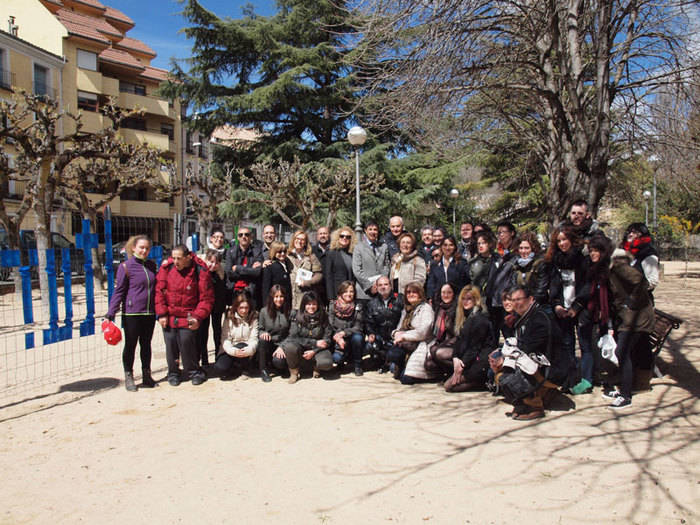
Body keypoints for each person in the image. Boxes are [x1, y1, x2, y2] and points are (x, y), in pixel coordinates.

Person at [505, 285, 568, 420]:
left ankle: (535, 405)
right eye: (513, 300)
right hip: (541, 364)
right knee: (502, 365)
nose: (516, 303)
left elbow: (526, 349)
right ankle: (534, 397)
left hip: (554, 370)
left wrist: (503, 357)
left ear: (531, 299)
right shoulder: (523, 318)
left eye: (519, 299)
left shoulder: (539, 319)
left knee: (506, 372)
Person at [604, 248, 655, 409]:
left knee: (622, 352)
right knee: (623, 353)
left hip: (637, 318)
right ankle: (625, 389)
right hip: (626, 318)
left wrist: (631, 303)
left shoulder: (619, 267)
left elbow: (642, 282)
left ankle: (625, 396)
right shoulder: (608, 271)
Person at [155, 244, 214, 386]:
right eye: (173, 258)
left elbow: (206, 298)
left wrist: (198, 316)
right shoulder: (167, 269)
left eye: (179, 258)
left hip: (189, 315)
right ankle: (173, 373)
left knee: (187, 344)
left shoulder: (199, 270)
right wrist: (161, 314)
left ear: (187, 257)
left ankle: (193, 371)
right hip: (170, 315)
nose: (176, 262)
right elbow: (159, 292)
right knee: (171, 345)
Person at [106, 235, 158, 391]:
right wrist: (111, 311)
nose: (144, 250)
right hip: (132, 313)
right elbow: (119, 291)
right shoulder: (126, 267)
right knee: (130, 345)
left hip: (149, 312)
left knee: (146, 345)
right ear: (133, 248)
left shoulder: (151, 265)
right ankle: (129, 376)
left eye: (147, 248)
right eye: (141, 247)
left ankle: (147, 375)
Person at [546, 225, 589, 390]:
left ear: (571, 239)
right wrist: (557, 305)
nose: (562, 243)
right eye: (559, 241)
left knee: (585, 345)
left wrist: (576, 307)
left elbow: (587, 286)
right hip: (563, 307)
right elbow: (554, 285)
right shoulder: (555, 260)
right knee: (566, 344)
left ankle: (586, 380)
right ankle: (569, 378)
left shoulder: (581, 258)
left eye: (564, 240)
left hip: (580, 307)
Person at [570, 234, 614, 395]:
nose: (593, 254)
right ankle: (587, 379)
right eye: (591, 250)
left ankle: (595, 377)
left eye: (597, 251)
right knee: (586, 346)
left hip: (604, 315)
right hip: (587, 313)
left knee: (596, 346)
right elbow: (584, 289)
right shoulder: (587, 265)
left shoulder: (610, 268)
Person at [403, 282, 458, 383]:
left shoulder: (457, 309)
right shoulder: (439, 308)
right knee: (429, 364)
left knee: (434, 353)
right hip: (438, 342)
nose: (445, 295)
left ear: (454, 294)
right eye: (443, 292)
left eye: (449, 292)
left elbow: (457, 334)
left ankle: (453, 372)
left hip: (453, 344)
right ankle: (442, 374)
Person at [443, 285, 495, 392]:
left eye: (469, 299)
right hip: (468, 356)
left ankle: (483, 383)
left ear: (476, 300)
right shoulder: (465, 316)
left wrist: (462, 365)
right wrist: (455, 357)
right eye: (463, 299)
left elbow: (475, 347)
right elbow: (459, 341)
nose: (465, 302)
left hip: (480, 359)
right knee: (448, 385)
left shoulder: (480, 318)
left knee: (449, 386)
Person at [279, 291, 333, 383]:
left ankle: (316, 366)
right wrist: (314, 342)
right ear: (304, 305)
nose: (311, 307)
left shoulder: (324, 316)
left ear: (318, 304)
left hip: (318, 349)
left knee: (326, 363)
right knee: (290, 347)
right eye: (308, 304)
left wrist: (314, 351)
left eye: (314, 304)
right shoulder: (297, 316)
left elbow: (327, 339)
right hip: (301, 347)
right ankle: (294, 372)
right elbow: (293, 337)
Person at [386, 281, 434, 379]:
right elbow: (398, 328)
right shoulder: (406, 310)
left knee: (406, 380)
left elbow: (423, 332)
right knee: (392, 354)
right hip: (406, 344)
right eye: (408, 292)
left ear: (420, 293)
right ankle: (402, 365)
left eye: (414, 292)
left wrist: (403, 336)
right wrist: (396, 333)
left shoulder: (426, 309)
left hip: (420, 345)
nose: (411, 294)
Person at [214, 293, 258, 379]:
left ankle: (245, 369)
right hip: (232, 348)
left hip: (246, 349)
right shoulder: (229, 318)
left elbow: (254, 338)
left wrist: (249, 350)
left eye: (246, 308)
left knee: (242, 345)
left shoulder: (253, 317)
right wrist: (233, 351)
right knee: (220, 368)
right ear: (236, 307)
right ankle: (236, 368)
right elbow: (225, 339)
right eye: (241, 308)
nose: (244, 311)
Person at [365, 276, 404, 371]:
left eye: (386, 284)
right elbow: (369, 323)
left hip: (396, 338)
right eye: (380, 285)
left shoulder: (400, 299)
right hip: (380, 339)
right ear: (376, 288)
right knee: (368, 346)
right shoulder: (372, 303)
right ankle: (380, 360)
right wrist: (371, 333)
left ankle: (390, 361)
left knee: (392, 369)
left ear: (391, 286)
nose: (383, 287)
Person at [328, 281, 366, 376]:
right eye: (346, 291)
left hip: (352, 336)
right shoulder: (333, 305)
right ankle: (341, 363)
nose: (349, 294)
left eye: (351, 291)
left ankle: (358, 365)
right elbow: (330, 325)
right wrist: (338, 336)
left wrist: (344, 333)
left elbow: (358, 327)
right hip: (337, 339)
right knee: (336, 358)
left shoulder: (358, 306)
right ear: (340, 292)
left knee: (358, 337)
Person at [200, 249, 230, 365]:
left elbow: (224, 290)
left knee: (217, 332)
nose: (213, 265)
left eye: (216, 263)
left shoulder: (221, 274)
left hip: (217, 307)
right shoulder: (202, 273)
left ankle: (218, 356)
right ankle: (204, 359)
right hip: (204, 307)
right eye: (211, 262)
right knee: (203, 333)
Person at [258, 285, 292, 382]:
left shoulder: (290, 311)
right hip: (269, 343)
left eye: (281, 296)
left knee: (279, 362)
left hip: (283, 344)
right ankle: (263, 370)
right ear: (272, 297)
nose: (279, 299)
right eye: (276, 296)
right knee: (262, 340)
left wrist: (282, 347)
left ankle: (280, 367)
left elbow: (292, 333)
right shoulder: (264, 311)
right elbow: (260, 328)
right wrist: (263, 333)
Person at [352, 221, 390, 303]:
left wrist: (380, 284)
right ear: (365, 231)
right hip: (364, 293)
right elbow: (357, 270)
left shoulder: (384, 247)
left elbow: (386, 266)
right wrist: (369, 286)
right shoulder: (358, 247)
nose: (373, 232)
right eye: (370, 229)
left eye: (375, 229)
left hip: (381, 291)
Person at [225, 226, 263, 306]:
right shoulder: (230, 251)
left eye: (246, 234)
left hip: (251, 291)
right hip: (234, 292)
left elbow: (257, 273)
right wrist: (249, 271)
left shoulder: (257, 251)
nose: (244, 237)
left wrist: (238, 268)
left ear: (250, 237)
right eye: (240, 235)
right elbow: (229, 273)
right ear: (237, 238)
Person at [511, 232, 550, 307]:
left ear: (533, 248)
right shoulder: (516, 265)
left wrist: (530, 302)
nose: (523, 251)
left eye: (526, 248)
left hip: (539, 305)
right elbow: (513, 286)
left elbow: (542, 288)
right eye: (521, 248)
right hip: (521, 306)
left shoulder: (540, 264)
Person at [287, 230, 324, 310]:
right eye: (297, 238)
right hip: (289, 298)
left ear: (305, 242)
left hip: (305, 298)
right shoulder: (287, 255)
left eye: (302, 239)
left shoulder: (311, 257)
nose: (299, 241)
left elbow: (319, 275)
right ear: (293, 240)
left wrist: (308, 282)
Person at [426, 235, 469, 302]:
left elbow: (466, 282)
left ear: (455, 247)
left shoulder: (461, 263)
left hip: (457, 300)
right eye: (445, 245)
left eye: (451, 245)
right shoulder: (435, 264)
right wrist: (430, 297)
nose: (447, 248)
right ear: (441, 247)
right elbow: (431, 283)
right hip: (439, 300)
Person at [622, 222, 659, 298]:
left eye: (635, 232)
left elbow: (652, 281)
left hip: (640, 302)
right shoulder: (624, 252)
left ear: (642, 234)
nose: (630, 234)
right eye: (629, 232)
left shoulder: (648, 253)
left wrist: (635, 288)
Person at [468, 231, 501, 308]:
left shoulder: (498, 259)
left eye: (483, 243)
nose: (480, 246)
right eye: (478, 243)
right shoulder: (473, 262)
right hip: (478, 297)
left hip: (494, 299)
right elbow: (470, 280)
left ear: (489, 244)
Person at [324, 226, 356, 301]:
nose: (344, 238)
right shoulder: (331, 253)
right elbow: (328, 276)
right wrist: (331, 297)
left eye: (348, 237)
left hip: (350, 293)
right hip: (337, 293)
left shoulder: (353, 254)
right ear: (337, 238)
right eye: (342, 236)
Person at [261, 241, 293, 309]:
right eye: (279, 252)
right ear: (274, 252)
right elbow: (266, 289)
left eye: (284, 251)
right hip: (274, 304)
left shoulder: (287, 264)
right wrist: (267, 307)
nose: (282, 253)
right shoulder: (270, 267)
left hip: (286, 303)